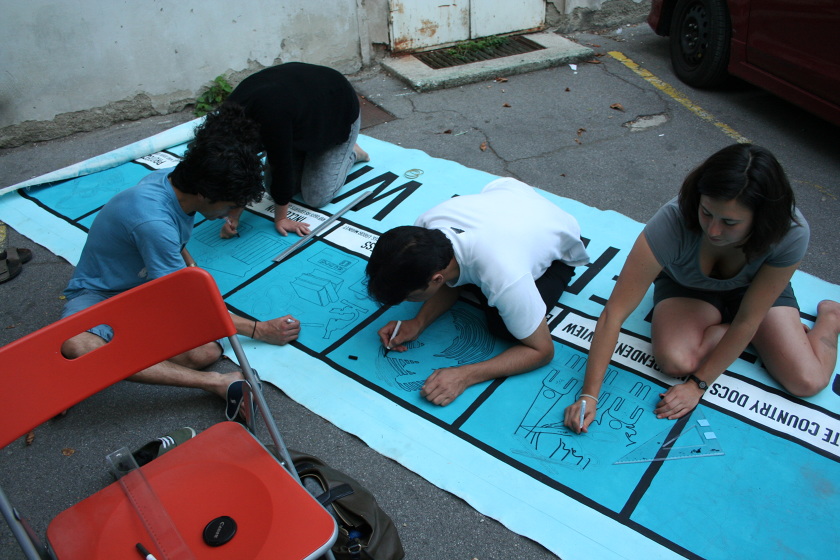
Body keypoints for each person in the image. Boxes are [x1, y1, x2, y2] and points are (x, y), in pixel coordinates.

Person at [564, 143, 840, 433]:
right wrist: (588, 394)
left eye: (730, 222)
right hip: (688, 287)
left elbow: (749, 318)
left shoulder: (791, 231)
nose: (714, 230)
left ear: (762, 219)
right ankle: (752, 335)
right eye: (706, 212)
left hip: (755, 289)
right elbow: (614, 314)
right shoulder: (673, 219)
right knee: (674, 361)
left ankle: (831, 319)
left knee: (807, 381)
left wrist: (698, 386)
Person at [59, 105, 301, 418]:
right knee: (75, 346)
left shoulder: (172, 182)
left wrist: (190, 268)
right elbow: (181, 294)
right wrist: (258, 329)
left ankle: (117, 359)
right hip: (99, 296)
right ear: (206, 195)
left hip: (142, 293)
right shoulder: (152, 222)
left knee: (206, 350)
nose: (231, 213)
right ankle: (215, 383)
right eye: (230, 205)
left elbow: (177, 245)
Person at [366, 177, 590, 406]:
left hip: (556, 228)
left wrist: (465, 375)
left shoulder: (505, 276)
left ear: (437, 279)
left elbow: (542, 351)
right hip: (509, 202)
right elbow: (447, 277)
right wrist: (419, 322)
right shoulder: (423, 227)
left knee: (503, 327)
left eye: (409, 296)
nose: (406, 300)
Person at [219, 62, 369, 239]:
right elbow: (242, 169)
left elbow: (280, 167)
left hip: (336, 111)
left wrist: (281, 219)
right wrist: (233, 217)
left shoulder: (271, 120)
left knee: (316, 197)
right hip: (301, 117)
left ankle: (351, 152)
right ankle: (306, 147)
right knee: (272, 188)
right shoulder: (224, 126)